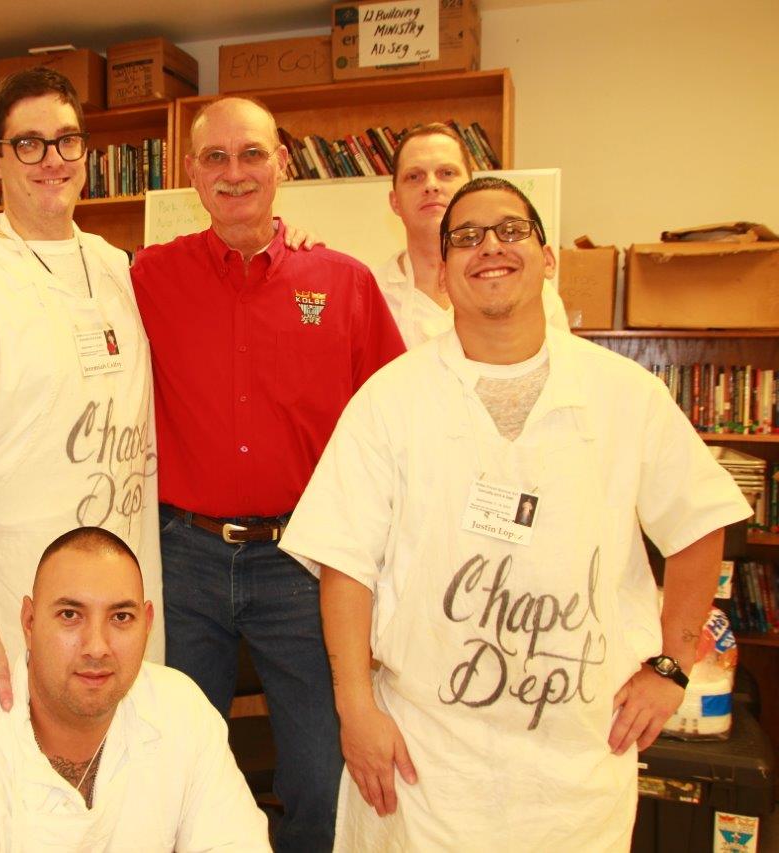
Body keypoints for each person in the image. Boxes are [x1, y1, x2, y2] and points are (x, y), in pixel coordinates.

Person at [281, 177, 751, 850]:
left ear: (547, 257)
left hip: (577, 762)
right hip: (425, 760)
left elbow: (700, 520)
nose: (490, 247)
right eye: (466, 237)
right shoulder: (390, 400)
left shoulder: (625, 394)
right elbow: (344, 561)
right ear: (442, 274)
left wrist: (673, 665)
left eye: (510, 230)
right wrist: (355, 709)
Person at [130, 96, 405, 851]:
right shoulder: (147, 278)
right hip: (181, 559)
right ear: (192, 173)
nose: (235, 172)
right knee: (173, 768)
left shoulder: (343, 283)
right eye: (215, 157)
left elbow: (395, 426)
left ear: (282, 163)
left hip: (305, 562)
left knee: (321, 775)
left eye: (252, 153)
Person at [0, 67, 161, 736]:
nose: (52, 160)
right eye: (29, 144)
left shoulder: (117, 269)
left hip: (109, 611)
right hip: (3, 614)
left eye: (67, 140)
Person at [0, 527, 270, 850]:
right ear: (29, 622)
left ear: (146, 623)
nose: (97, 647)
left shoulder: (181, 711)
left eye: (121, 617)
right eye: (70, 615)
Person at [376, 123, 570, 348]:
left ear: (469, 188)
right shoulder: (372, 294)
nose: (431, 186)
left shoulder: (531, 290)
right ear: (395, 201)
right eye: (414, 176)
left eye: (446, 173)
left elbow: (563, 363)